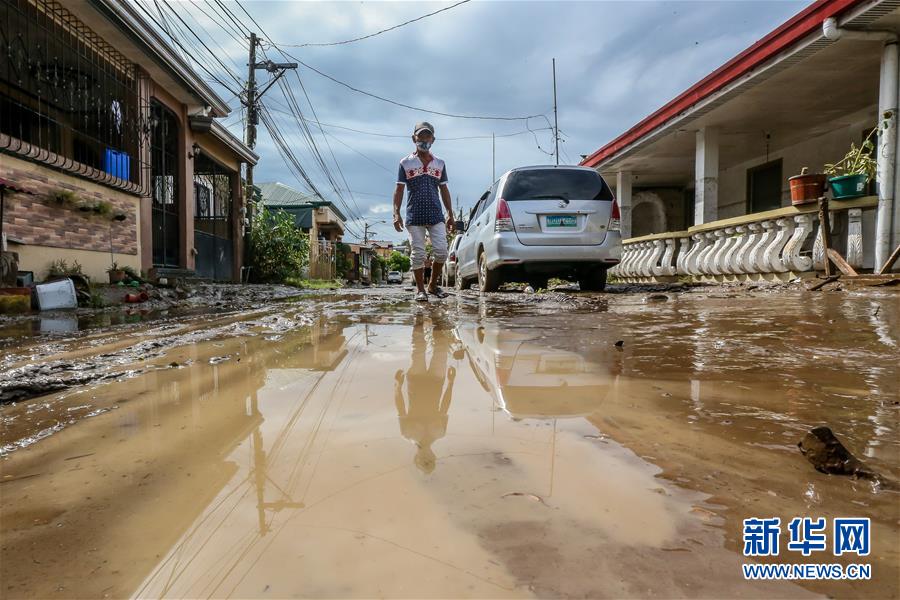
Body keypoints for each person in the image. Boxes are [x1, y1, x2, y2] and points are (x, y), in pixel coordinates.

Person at [393, 122, 455, 302]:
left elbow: (444, 189)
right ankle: (420, 290)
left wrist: (450, 214)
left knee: (442, 252)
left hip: (436, 215)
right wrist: (396, 213)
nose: (424, 140)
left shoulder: (440, 163)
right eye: (421, 136)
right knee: (418, 254)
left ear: (433, 140)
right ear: (414, 138)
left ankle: (433, 285)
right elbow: (399, 190)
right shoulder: (405, 163)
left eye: (428, 137)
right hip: (414, 215)